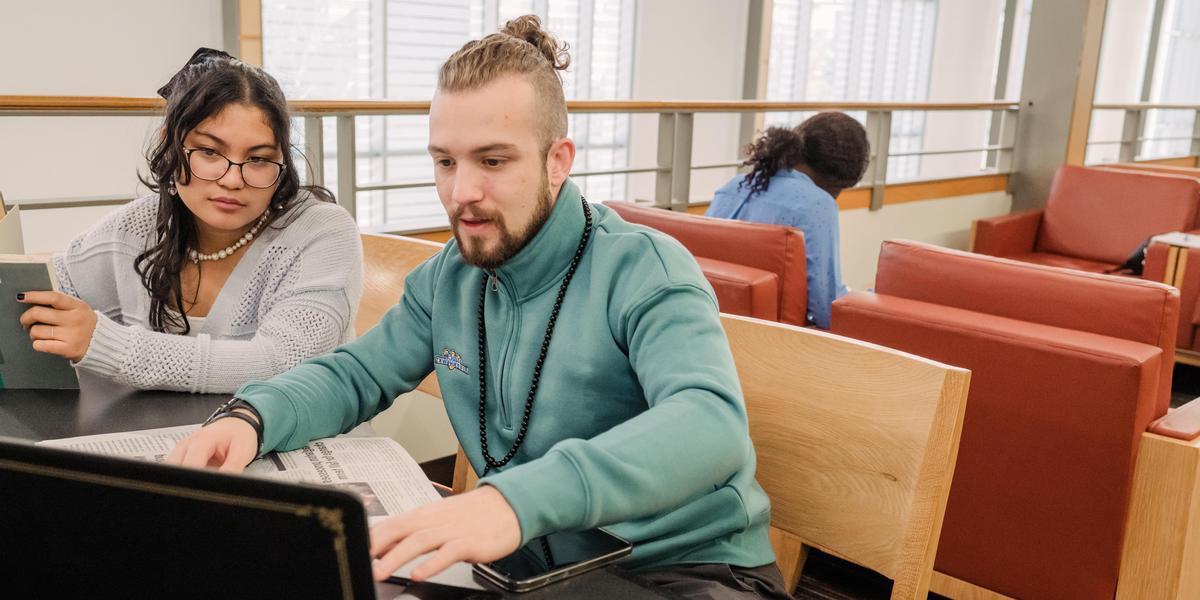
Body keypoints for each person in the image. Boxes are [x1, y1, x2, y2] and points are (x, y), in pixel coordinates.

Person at [169, 17, 790, 600]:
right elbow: (356, 373)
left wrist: (512, 502)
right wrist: (250, 416)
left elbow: (709, 424)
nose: (462, 193)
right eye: (445, 162)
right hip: (538, 572)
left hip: (687, 572)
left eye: (493, 161)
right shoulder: (450, 276)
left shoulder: (644, 267)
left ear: (557, 162)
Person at [16, 48, 362, 393]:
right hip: (161, 438)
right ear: (170, 146)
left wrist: (106, 345)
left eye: (258, 159)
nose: (232, 179)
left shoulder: (322, 232)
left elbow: (281, 363)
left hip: (290, 443)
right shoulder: (140, 225)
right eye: (210, 152)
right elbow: (53, 290)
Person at [706, 112, 869, 329]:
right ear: (839, 178)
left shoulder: (733, 187)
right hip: (776, 339)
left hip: (714, 324)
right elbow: (826, 312)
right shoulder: (817, 204)